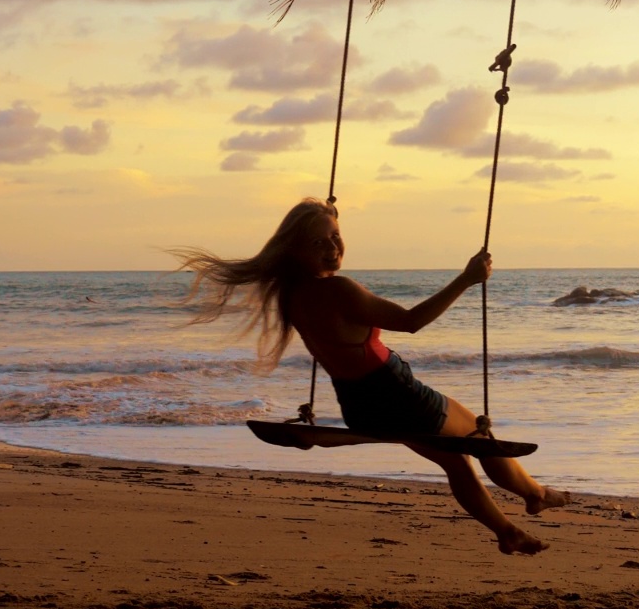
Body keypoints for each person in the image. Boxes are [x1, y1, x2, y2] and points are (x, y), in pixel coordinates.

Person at [170, 197, 568, 555]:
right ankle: (537, 494)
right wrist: (466, 279)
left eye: (335, 236)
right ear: (295, 251)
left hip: (359, 409)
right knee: (478, 439)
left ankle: (508, 529)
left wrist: (327, 214)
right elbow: (411, 322)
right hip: (400, 397)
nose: (333, 247)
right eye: (318, 242)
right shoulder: (340, 290)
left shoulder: (291, 296)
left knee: (457, 462)